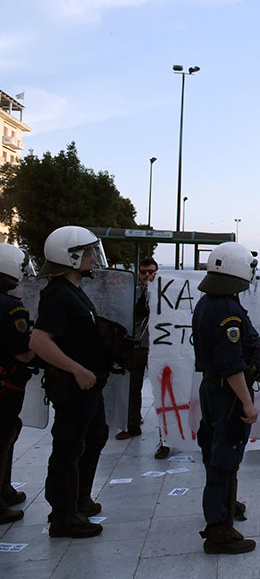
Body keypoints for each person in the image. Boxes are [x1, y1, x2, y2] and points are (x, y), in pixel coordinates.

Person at [30, 226, 111, 538]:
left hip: (89, 386)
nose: (93, 258)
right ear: (72, 256)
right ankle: (63, 515)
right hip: (73, 386)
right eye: (88, 252)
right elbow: (39, 340)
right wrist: (77, 369)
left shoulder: (73, 290)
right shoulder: (57, 294)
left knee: (95, 436)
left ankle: (79, 500)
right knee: (68, 446)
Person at [192, 242, 260, 554]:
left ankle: (226, 504)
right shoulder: (228, 311)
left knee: (214, 449)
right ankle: (219, 529)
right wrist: (247, 402)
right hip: (227, 392)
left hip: (212, 389)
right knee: (225, 456)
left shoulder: (209, 302)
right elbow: (231, 363)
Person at [0, 244, 35, 524]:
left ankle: (5, 490)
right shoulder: (12, 308)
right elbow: (22, 352)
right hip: (7, 384)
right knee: (5, 435)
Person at [117, 257, 157, 440]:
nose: (147, 276)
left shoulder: (164, 291)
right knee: (133, 387)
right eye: (143, 272)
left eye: (151, 272)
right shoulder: (131, 293)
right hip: (138, 345)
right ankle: (132, 423)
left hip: (157, 346)